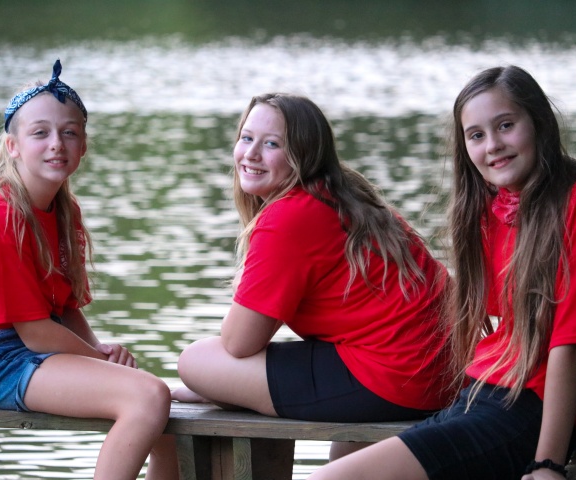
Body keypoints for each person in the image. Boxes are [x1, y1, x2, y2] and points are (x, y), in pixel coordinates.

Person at [307, 65, 576, 480]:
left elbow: (570, 344)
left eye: (505, 125)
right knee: (341, 458)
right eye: (476, 135)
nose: (492, 146)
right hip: (480, 396)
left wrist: (549, 462)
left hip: (524, 411)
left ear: (539, 123)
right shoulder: (494, 206)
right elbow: (504, 328)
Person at [0, 60, 172, 480]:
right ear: (13, 146)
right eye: (40, 133)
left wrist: (99, 349)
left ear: (84, 145)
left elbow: (65, 307)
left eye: (69, 132)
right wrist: (99, 360)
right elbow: (35, 331)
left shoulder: (62, 209)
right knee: (147, 398)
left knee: (162, 405)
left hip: (32, 344)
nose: (57, 143)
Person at [171, 92, 453, 461]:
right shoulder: (347, 196)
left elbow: (239, 343)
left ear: (303, 156)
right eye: (246, 138)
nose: (251, 154)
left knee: (196, 361)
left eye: (271, 144)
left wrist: (220, 386)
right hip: (438, 374)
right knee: (341, 458)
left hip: (396, 377)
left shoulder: (289, 217)